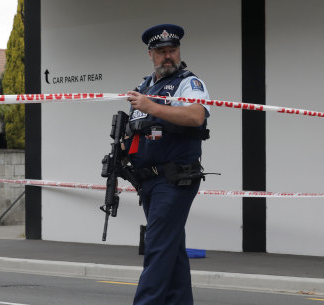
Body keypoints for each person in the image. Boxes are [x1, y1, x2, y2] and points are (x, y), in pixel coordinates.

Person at [125, 24, 210, 305]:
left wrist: (151, 107)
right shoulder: (144, 87)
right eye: (161, 52)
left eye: (172, 51)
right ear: (151, 55)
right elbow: (133, 133)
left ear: (178, 51)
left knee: (158, 249)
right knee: (171, 252)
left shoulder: (189, 83)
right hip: (147, 182)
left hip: (175, 179)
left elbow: (196, 116)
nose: (168, 57)